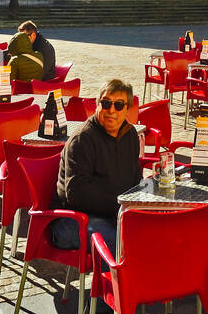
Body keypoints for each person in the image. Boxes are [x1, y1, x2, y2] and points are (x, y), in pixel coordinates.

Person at [50, 79, 142, 256]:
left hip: (112, 215)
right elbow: (76, 193)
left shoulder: (130, 134)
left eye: (119, 105)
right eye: (106, 103)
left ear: (127, 109)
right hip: (72, 219)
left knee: (154, 233)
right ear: (98, 105)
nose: (111, 111)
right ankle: (108, 284)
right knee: (124, 243)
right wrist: (119, 207)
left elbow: (135, 179)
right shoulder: (83, 139)